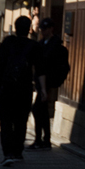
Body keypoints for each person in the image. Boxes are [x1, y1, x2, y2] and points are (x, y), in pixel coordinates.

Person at [0, 15, 38, 165]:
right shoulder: (33, 45)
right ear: (29, 29)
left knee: (5, 121)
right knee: (21, 120)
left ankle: (8, 153)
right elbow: (39, 69)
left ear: (15, 28)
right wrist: (41, 88)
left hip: (6, 88)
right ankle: (18, 151)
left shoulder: (7, 42)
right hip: (24, 88)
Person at [29, 17, 70, 150]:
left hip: (49, 81)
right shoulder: (41, 43)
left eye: (45, 29)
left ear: (51, 29)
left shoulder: (56, 46)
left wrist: (54, 81)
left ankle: (41, 140)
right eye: (41, 29)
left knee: (38, 109)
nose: (43, 31)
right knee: (42, 111)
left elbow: (61, 66)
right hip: (41, 82)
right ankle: (44, 140)